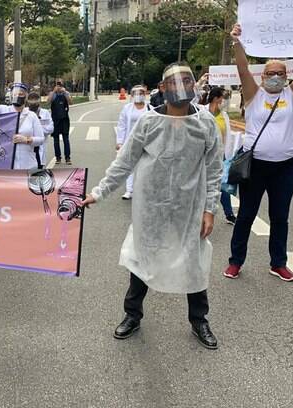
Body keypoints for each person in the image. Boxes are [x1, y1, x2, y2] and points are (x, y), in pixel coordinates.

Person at [82, 63, 223, 350]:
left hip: (190, 207)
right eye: (174, 82)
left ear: (195, 85)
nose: (180, 87)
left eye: (186, 80)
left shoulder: (205, 123)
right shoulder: (149, 123)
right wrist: (98, 192)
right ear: (163, 88)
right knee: (142, 258)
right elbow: (125, 163)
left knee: (193, 261)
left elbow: (214, 170)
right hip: (151, 207)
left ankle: (199, 320)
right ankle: (132, 314)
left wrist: (210, 209)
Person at [224, 24, 293, 282]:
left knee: (280, 217)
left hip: (285, 166)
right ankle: (236, 261)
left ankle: (278, 263)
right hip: (255, 165)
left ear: (287, 76)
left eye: (280, 73)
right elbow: (242, 68)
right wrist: (237, 43)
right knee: (246, 214)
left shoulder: (292, 94)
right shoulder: (253, 95)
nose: (275, 76)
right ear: (262, 76)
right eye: (270, 72)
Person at [0, 80, 44, 169]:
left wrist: (27, 139)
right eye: (15, 94)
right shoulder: (4, 111)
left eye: (21, 94)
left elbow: (41, 139)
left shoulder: (31, 116)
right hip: (6, 163)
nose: (17, 96)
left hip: (27, 164)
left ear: (26, 96)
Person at [202, 87, 238, 225]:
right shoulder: (201, 111)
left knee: (223, 186)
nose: (225, 101)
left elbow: (228, 136)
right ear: (216, 98)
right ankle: (199, 213)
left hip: (220, 156)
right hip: (204, 156)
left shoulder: (224, 115)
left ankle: (229, 214)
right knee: (203, 186)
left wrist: (228, 155)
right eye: (223, 98)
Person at [115, 85, 150, 200]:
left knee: (144, 167)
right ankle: (129, 190)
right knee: (129, 167)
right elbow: (122, 125)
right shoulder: (127, 108)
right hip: (130, 141)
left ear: (144, 95)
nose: (138, 96)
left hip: (145, 143)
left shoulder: (150, 108)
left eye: (140, 94)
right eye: (135, 94)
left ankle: (142, 190)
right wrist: (119, 142)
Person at [26, 92, 54, 168]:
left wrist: (37, 128)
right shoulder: (24, 113)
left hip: (41, 146)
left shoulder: (45, 113)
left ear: (39, 103)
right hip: (27, 147)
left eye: (35, 103)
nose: (33, 105)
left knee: (39, 169)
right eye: (31, 103)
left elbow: (51, 129)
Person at [48, 81, 73, 165]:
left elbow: (70, 102)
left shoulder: (66, 93)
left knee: (66, 139)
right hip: (55, 120)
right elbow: (48, 101)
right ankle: (58, 157)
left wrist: (65, 92)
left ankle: (67, 158)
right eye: (57, 85)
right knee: (56, 140)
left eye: (60, 86)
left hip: (64, 119)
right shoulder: (53, 94)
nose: (58, 87)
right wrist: (54, 92)